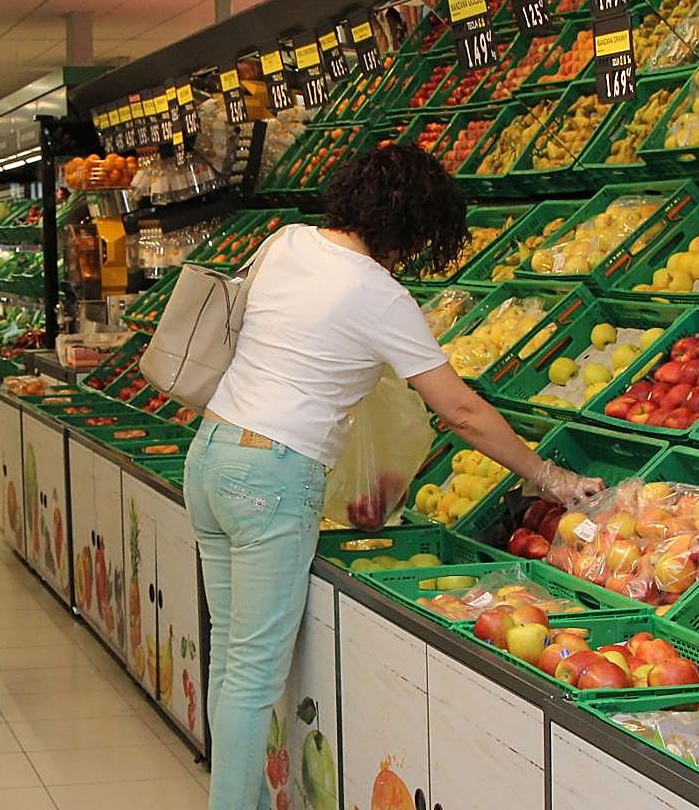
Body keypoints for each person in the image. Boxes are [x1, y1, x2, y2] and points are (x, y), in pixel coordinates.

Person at [183, 144, 603, 810]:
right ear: (411, 226)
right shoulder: (378, 292)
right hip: (271, 476)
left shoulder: (285, 241)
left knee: (231, 659)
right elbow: (461, 411)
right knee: (254, 676)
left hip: (211, 454)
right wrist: (544, 475)